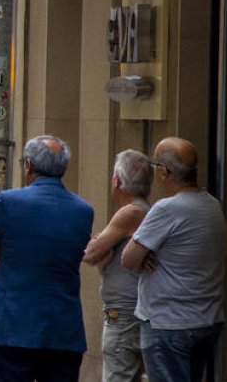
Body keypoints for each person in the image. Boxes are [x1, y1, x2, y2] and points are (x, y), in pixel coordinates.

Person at [0, 135, 93, 381]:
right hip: (63, 328)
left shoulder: (10, 201)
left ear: (28, 165)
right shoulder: (84, 211)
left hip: (13, 324)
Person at [122, 137, 226, 382]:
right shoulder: (212, 204)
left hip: (168, 322)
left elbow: (128, 259)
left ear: (163, 172)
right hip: (206, 318)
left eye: (155, 164)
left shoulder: (166, 208)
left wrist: (144, 249)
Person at [82, 150, 152, 382]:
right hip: (139, 311)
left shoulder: (131, 212)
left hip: (123, 313)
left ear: (116, 181)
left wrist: (101, 245)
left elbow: (91, 253)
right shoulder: (147, 211)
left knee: (119, 375)